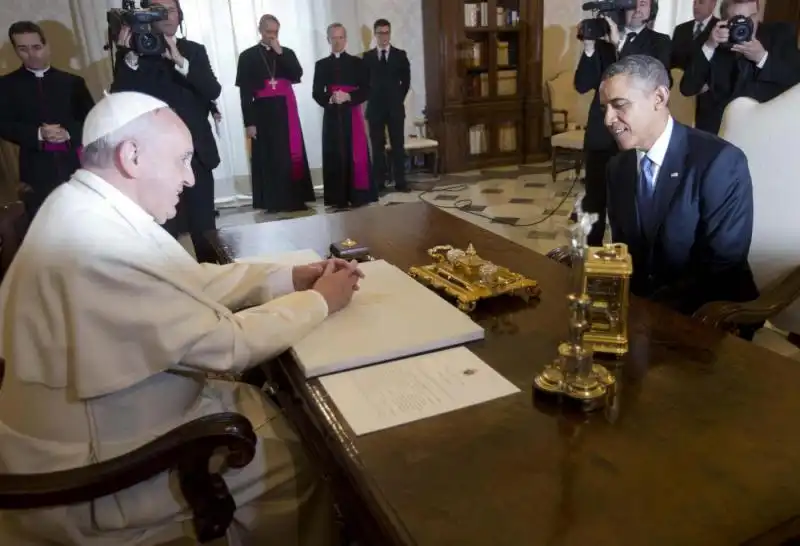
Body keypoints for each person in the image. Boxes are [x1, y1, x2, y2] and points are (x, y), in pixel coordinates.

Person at [0, 91, 361, 545]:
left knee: (280, 405)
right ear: (131, 156)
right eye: (182, 159)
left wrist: (288, 278)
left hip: (107, 423)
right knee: (302, 458)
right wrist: (323, 300)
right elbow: (229, 346)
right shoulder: (97, 240)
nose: (191, 178)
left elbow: (183, 282)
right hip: (98, 477)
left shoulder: (82, 205)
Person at [601, 55, 758, 319]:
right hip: (642, 313)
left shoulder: (719, 161)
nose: (608, 119)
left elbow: (722, 267)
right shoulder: (618, 168)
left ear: (659, 98)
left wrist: (649, 315)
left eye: (619, 105)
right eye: (604, 107)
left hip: (711, 316)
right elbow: (626, 253)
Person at [110, 0, 221, 263]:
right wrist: (129, 57)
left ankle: (217, 281)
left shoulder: (193, 51)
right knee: (163, 229)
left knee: (205, 229)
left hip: (197, 154)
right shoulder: (133, 55)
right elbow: (120, 98)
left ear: (180, 15)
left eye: (170, 9)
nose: (166, 15)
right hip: (154, 157)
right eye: (157, 10)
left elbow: (213, 90)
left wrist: (179, 60)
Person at [574, 0, 671, 245]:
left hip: (634, 135)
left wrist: (619, 44)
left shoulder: (659, 42)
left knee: (628, 203)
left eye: (644, 4)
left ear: (652, 10)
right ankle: (590, 258)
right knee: (594, 199)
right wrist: (589, 47)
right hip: (600, 132)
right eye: (632, 3)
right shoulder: (603, 42)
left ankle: (628, 266)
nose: (637, 8)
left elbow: (644, 82)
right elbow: (582, 84)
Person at [0, 21, 94, 217]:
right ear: (16, 50)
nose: (31, 54)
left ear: (46, 46)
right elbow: (4, 125)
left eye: (36, 47)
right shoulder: (6, 85)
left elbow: (91, 120)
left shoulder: (72, 82)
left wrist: (68, 132)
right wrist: (39, 134)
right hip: (35, 170)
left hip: (76, 166)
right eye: (23, 49)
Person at [680, 0, 800, 134]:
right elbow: (687, 88)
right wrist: (709, 46)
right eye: (738, 19)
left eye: (751, 18)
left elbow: (795, 80)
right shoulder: (711, 38)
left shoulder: (780, 36)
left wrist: (762, 58)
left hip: (762, 132)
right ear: (725, 20)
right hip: (716, 133)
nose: (746, 25)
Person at [236, 14, 314, 212]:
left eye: (275, 32)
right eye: (268, 32)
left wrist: (281, 54)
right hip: (263, 112)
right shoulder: (247, 56)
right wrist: (249, 122)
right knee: (269, 156)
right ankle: (272, 201)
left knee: (290, 154)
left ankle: (296, 198)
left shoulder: (286, 53)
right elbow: (245, 93)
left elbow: (297, 75)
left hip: (286, 110)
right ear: (260, 31)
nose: (272, 36)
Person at [313, 23, 375, 209]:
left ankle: (358, 195)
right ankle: (336, 197)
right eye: (334, 38)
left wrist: (348, 96)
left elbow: (366, 90)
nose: (337, 41)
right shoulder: (321, 65)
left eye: (341, 37)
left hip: (351, 114)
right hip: (332, 116)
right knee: (334, 154)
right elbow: (316, 93)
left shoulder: (358, 63)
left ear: (346, 39)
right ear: (328, 40)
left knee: (355, 153)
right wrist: (330, 98)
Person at [362, 18, 411, 193]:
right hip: (375, 108)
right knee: (377, 146)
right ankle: (379, 182)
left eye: (386, 32)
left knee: (398, 145)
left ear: (390, 33)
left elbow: (405, 82)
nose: (384, 36)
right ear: (375, 35)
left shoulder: (400, 55)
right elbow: (363, 83)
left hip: (395, 108)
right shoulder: (367, 57)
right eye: (380, 33)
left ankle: (400, 181)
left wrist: (397, 98)